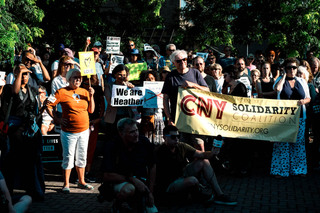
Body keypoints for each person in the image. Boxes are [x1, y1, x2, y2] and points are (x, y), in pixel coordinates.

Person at [156, 125, 237, 205]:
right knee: (193, 180)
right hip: (169, 184)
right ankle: (197, 195)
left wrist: (212, 152)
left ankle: (219, 195)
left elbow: (202, 154)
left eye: (178, 136)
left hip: (181, 175)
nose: (176, 139)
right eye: (173, 137)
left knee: (204, 161)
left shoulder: (181, 146)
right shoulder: (159, 151)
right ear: (164, 137)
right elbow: (153, 172)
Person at [1, 64, 45, 201]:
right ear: (15, 75)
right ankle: (8, 193)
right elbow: (15, 92)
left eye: (26, 74)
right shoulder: (9, 89)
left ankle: (33, 190)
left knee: (30, 162)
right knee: (11, 162)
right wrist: (19, 72)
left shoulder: (32, 89)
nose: (25, 76)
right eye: (22, 74)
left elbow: (35, 109)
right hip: (15, 130)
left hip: (30, 130)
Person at [47, 68, 95, 193]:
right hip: (68, 131)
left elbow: (91, 110)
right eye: (75, 77)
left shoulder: (85, 91)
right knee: (68, 157)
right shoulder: (61, 92)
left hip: (84, 130)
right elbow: (48, 104)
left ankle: (81, 181)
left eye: (79, 77)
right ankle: (66, 184)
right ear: (69, 79)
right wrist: (56, 119)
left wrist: (91, 96)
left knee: (82, 156)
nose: (78, 79)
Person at [101, 118, 157, 211]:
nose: (136, 134)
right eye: (131, 132)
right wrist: (132, 180)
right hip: (121, 182)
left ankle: (136, 202)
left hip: (142, 184)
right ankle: (117, 204)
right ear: (121, 133)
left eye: (136, 130)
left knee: (152, 211)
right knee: (129, 189)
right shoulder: (112, 145)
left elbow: (153, 166)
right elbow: (106, 176)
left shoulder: (144, 142)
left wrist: (150, 192)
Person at [271, 58, 310, 178]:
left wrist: (303, 101)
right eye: (289, 67)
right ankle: (280, 171)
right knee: (282, 144)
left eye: (294, 67)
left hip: (299, 117)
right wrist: (283, 76)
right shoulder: (280, 80)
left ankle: (298, 170)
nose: (292, 70)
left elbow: (308, 97)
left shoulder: (302, 81)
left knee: (298, 143)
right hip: (283, 118)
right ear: (285, 69)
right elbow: (277, 89)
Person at [161, 50, 209, 126]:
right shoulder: (170, 76)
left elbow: (207, 90)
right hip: (177, 117)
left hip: (196, 117)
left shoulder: (195, 72)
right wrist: (169, 118)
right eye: (179, 61)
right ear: (173, 63)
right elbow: (165, 99)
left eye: (184, 59)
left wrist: (193, 85)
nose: (182, 62)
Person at [81, 75, 105, 182]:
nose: (87, 85)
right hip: (81, 123)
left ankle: (88, 172)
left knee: (91, 148)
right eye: (85, 83)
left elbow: (102, 106)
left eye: (88, 82)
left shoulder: (98, 90)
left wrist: (99, 119)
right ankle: (79, 173)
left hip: (93, 123)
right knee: (81, 148)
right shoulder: (78, 89)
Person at [103, 64, 134, 140]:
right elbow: (110, 101)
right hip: (113, 118)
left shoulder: (129, 86)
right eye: (119, 75)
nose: (122, 77)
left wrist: (132, 89)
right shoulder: (109, 86)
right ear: (115, 75)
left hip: (126, 115)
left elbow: (134, 100)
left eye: (124, 75)